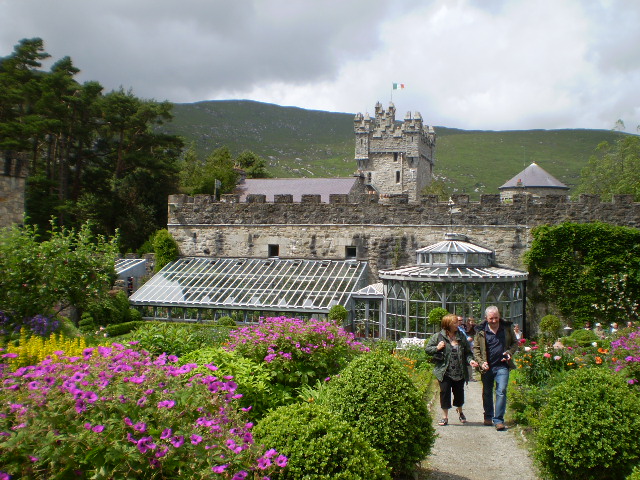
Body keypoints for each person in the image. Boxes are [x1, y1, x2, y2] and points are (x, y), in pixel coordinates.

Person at [426, 314, 479, 426]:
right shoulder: (438, 336)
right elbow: (427, 349)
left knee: (459, 393)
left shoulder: (461, 336)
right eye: (455, 323)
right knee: (444, 393)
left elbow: (468, 353)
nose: (457, 324)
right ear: (448, 324)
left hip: (459, 371)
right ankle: (444, 417)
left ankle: (460, 411)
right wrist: (437, 348)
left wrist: (470, 361)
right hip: (444, 371)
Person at [473, 306, 519, 431]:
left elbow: (515, 343)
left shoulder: (507, 328)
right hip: (487, 367)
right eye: (491, 318)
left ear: (499, 316)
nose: (494, 321)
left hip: (502, 366)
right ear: (486, 318)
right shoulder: (481, 331)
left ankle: (499, 420)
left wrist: (509, 352)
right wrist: (481, 362)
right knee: (487, 392)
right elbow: (476, 348)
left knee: (501, 391)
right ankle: (488, 416)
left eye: (496, 318)